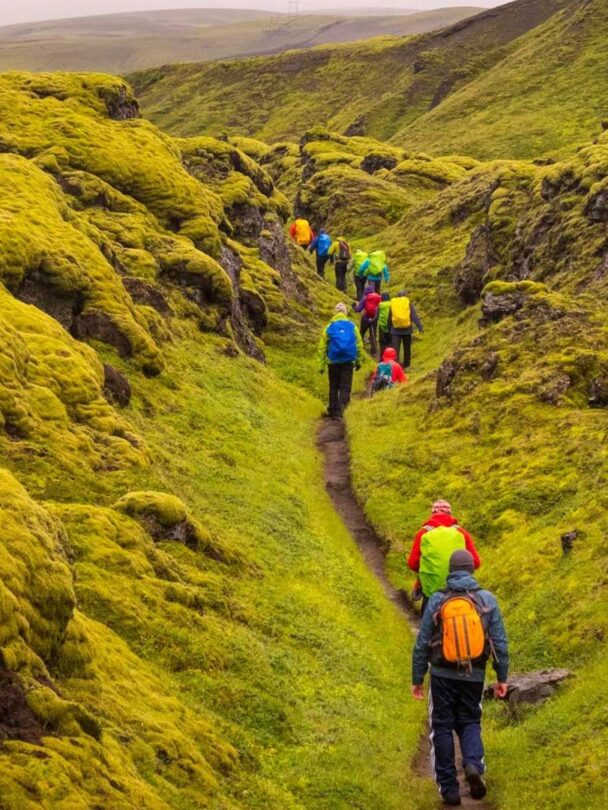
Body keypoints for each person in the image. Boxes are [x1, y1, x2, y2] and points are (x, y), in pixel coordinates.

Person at [412, 549, 509, 807]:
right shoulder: (486, 599)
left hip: (442, 674)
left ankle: (449, 789)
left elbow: (422, 642)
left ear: (451, 571)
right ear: (471, 570)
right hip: (474, 674)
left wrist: (417, 677)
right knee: (470, 721)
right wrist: (502, 677)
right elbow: (499, 642)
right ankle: (473, 764)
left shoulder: (438, 600)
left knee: (441, 725)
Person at [408, 500, 481, 616]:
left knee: (427, 626)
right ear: (450, 514)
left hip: (431, 588)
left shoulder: (423, 533)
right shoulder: (461, 532)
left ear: (432, 514)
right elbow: (476, 562)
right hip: (459, 589)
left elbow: (412, 563)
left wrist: (428, 568)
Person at [318, 303, 363, 418]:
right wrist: (359, 361)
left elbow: (322, 347)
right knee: (345, 386)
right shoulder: (352, 326)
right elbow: (359, 345)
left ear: (335, 312)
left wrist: (321, 365)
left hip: (333, 361)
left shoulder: (329, 327)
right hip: (348, 361)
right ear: (345, 313)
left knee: (333, 386)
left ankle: (332, 410)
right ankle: (342, 411)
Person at [388, 290, 423, 370]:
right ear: (405, 296)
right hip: (407, 330)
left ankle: (395, 367)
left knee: (395, 349)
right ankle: (407, 365)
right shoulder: (407, 303)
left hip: (395, 330)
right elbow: (414, 315)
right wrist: (419, 326)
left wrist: (389, 328)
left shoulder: (393, 304)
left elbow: (390, 317)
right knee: (407, 348)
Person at [354, 283, 382, 356]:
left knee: (362, 332)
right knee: (373, 335)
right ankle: (374, 351)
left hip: (365, 318)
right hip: (374, 319)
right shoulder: (378, 297)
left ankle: (360, 346)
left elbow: (358, 309)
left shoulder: (365, 298)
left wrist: (354, 306)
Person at [377, 292, 392, 359]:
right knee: (390, 342)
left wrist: (371, 321)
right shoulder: (391, 304)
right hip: (390, 325)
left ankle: (382, 358)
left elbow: (377, 315)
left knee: (382, 343)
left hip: (382, 326)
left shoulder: (380, 305)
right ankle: (391, 357)